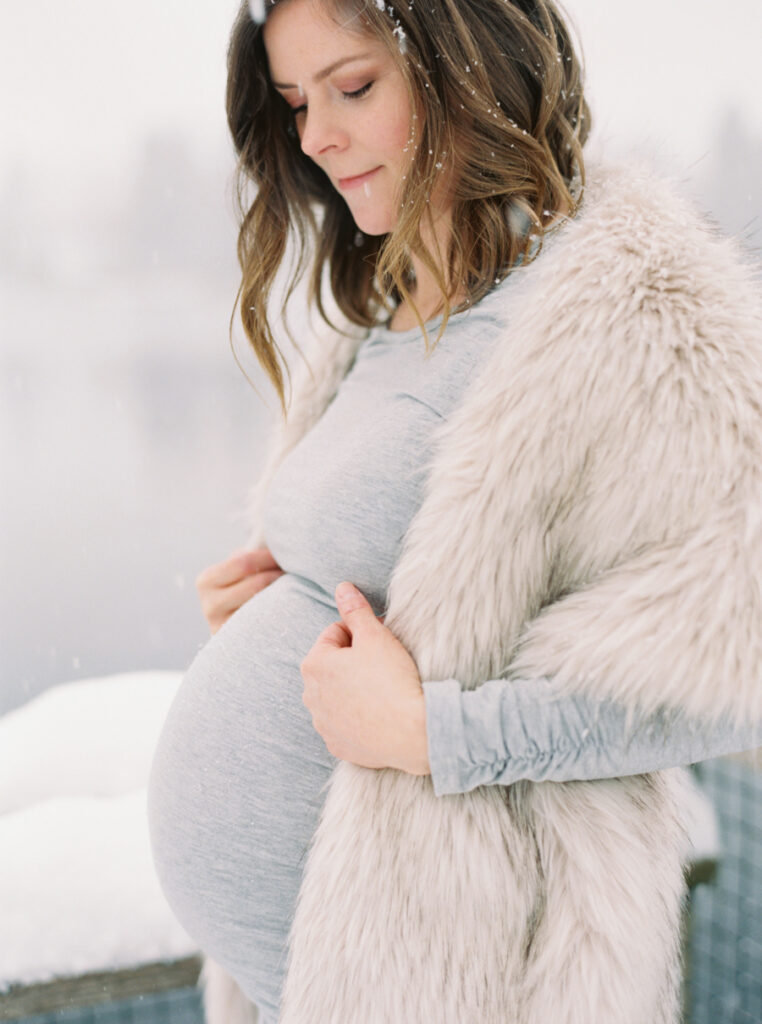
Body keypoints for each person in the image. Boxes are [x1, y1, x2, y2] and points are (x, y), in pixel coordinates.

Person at [147, 0, 762, 1021]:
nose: (314, 136)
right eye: (296, 101)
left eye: (353, 88)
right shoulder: (390, 301)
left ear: (467, 61)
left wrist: (438, 733)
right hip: (313, 967)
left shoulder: (633, 307)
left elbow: (720, 678)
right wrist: (269, 611)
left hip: (467, 968)